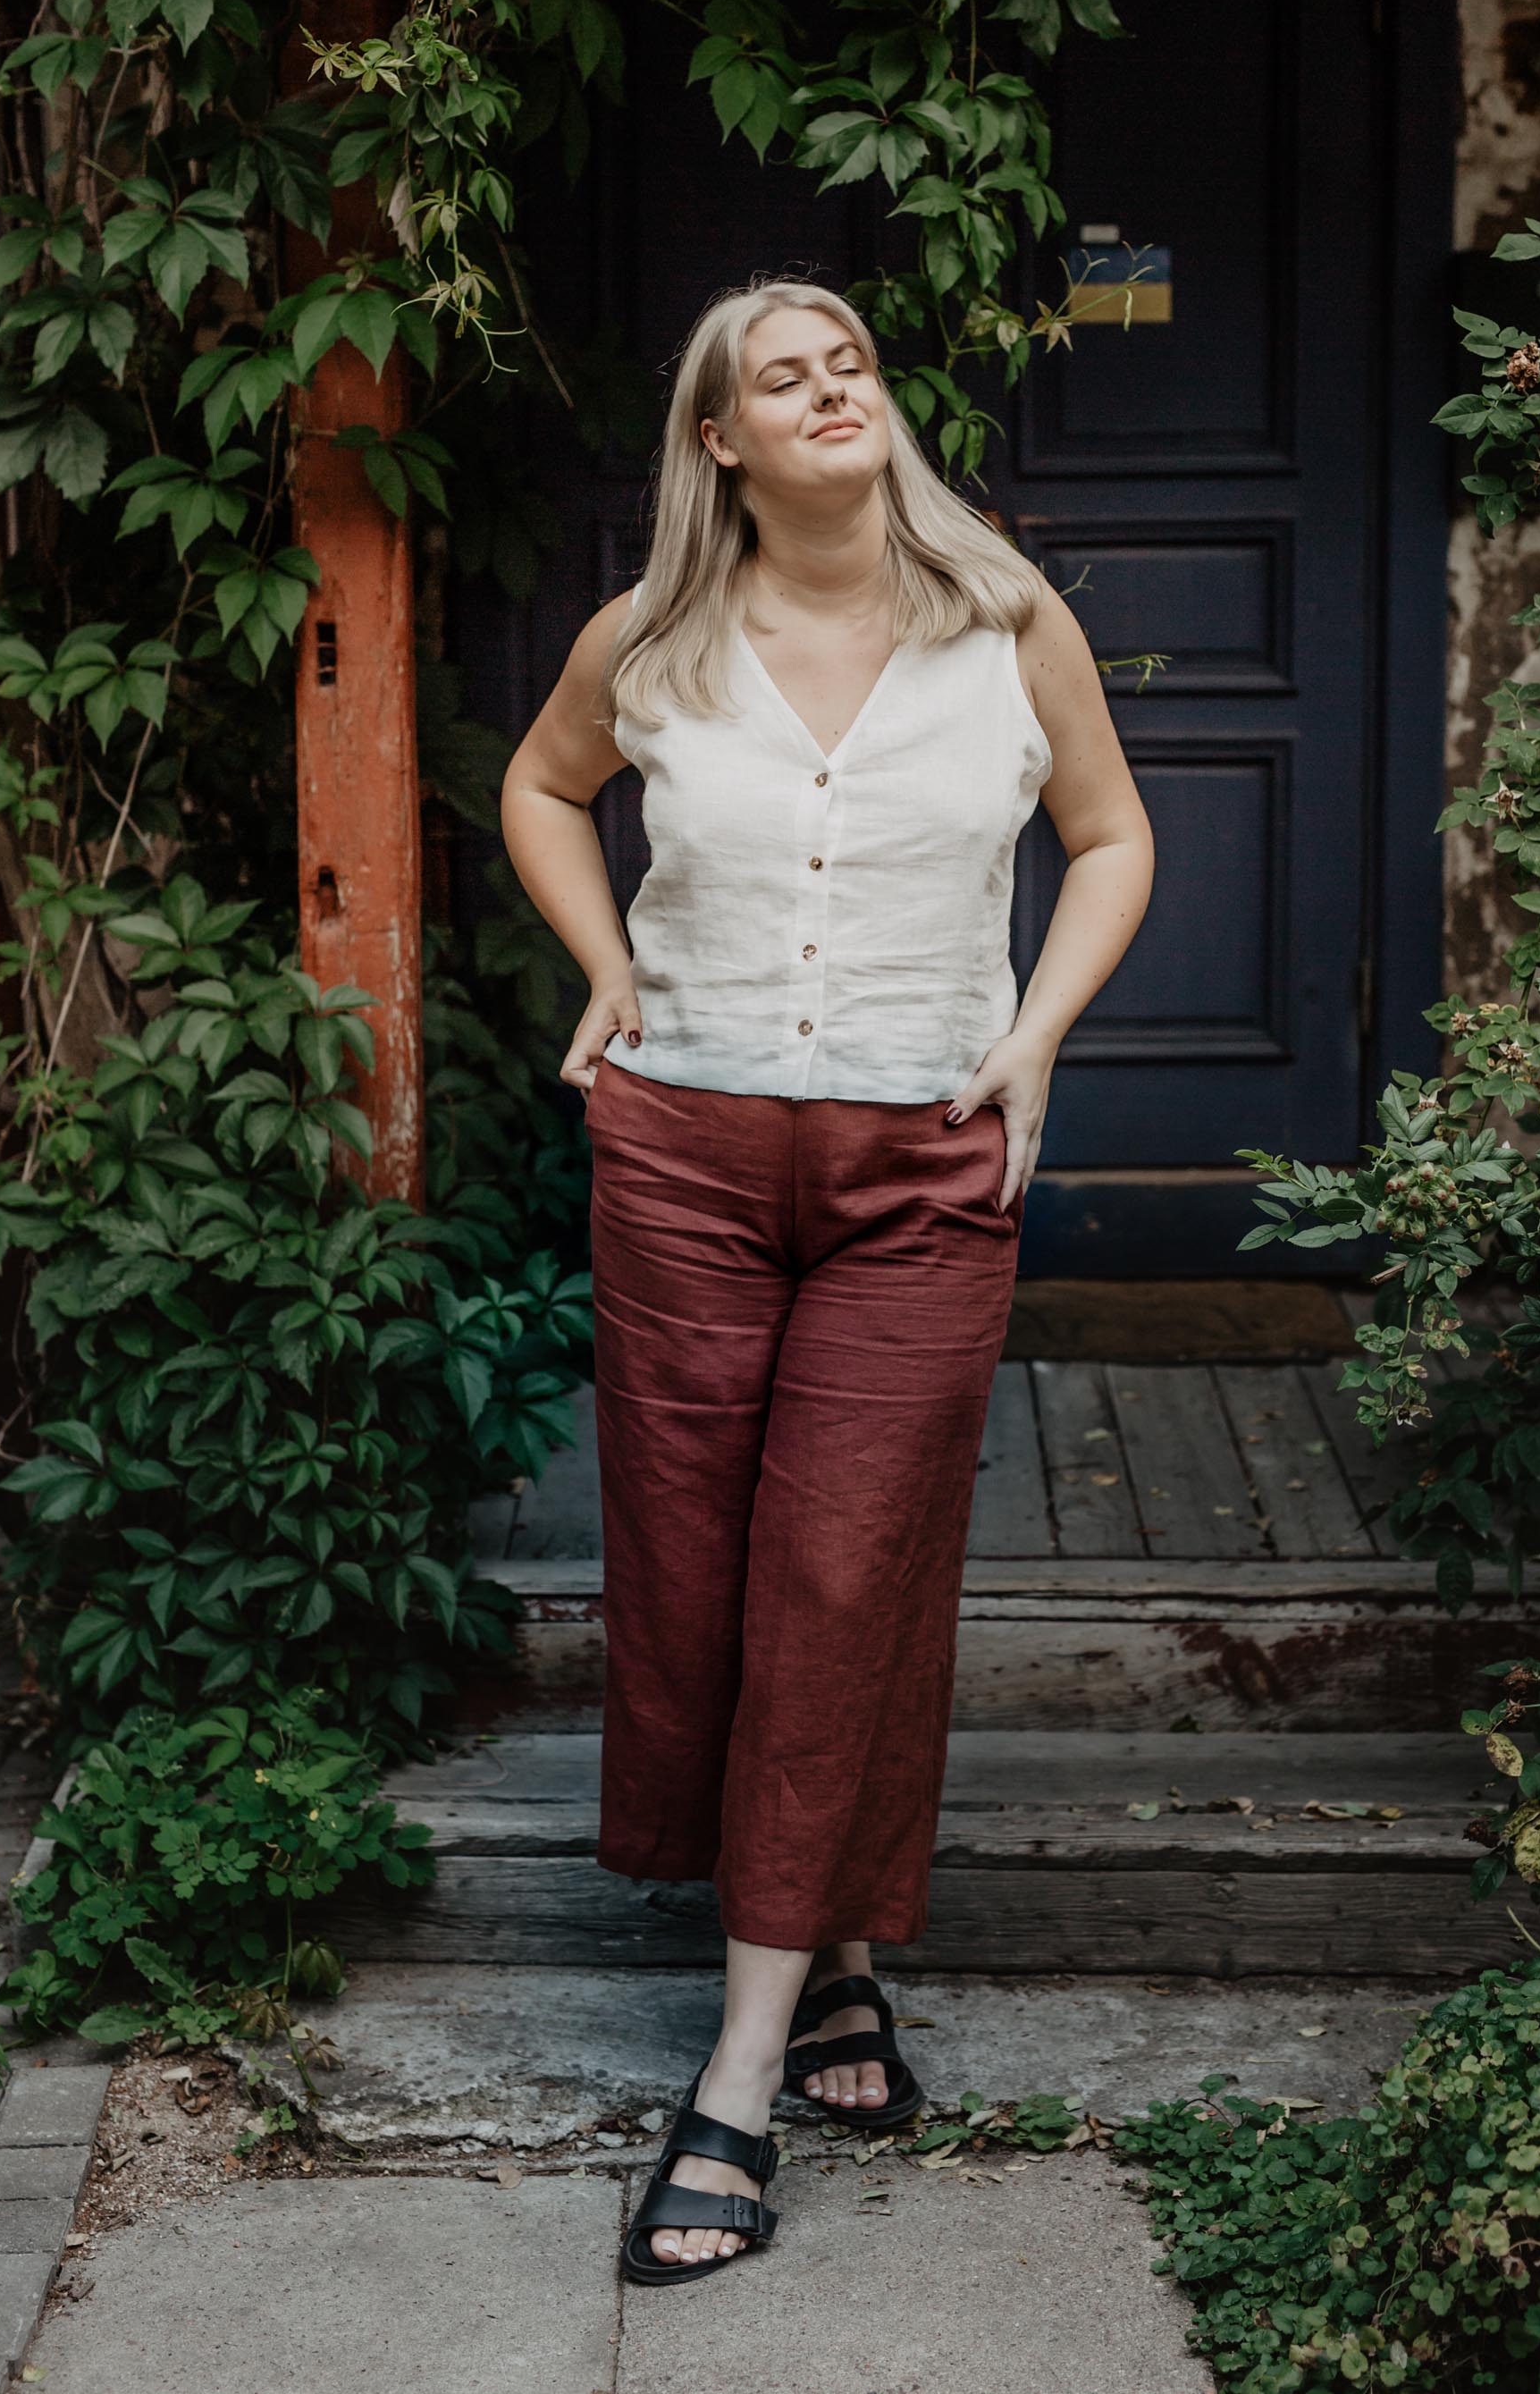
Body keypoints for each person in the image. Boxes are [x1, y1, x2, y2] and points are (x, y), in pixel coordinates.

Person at [501, 277, 1153, 2284]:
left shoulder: (1001, 622)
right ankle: (846, 1955)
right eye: (782, 378)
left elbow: (1110, 836)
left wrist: (1035, 1036)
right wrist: (609, 976)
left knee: (847, 1565)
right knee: (704, 1577)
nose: (829, 390)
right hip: (684, 1164)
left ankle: (739, 2068)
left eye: (847, 362)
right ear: (721, 443)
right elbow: (540, 789)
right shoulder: (655, 644)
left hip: (916, 1171)